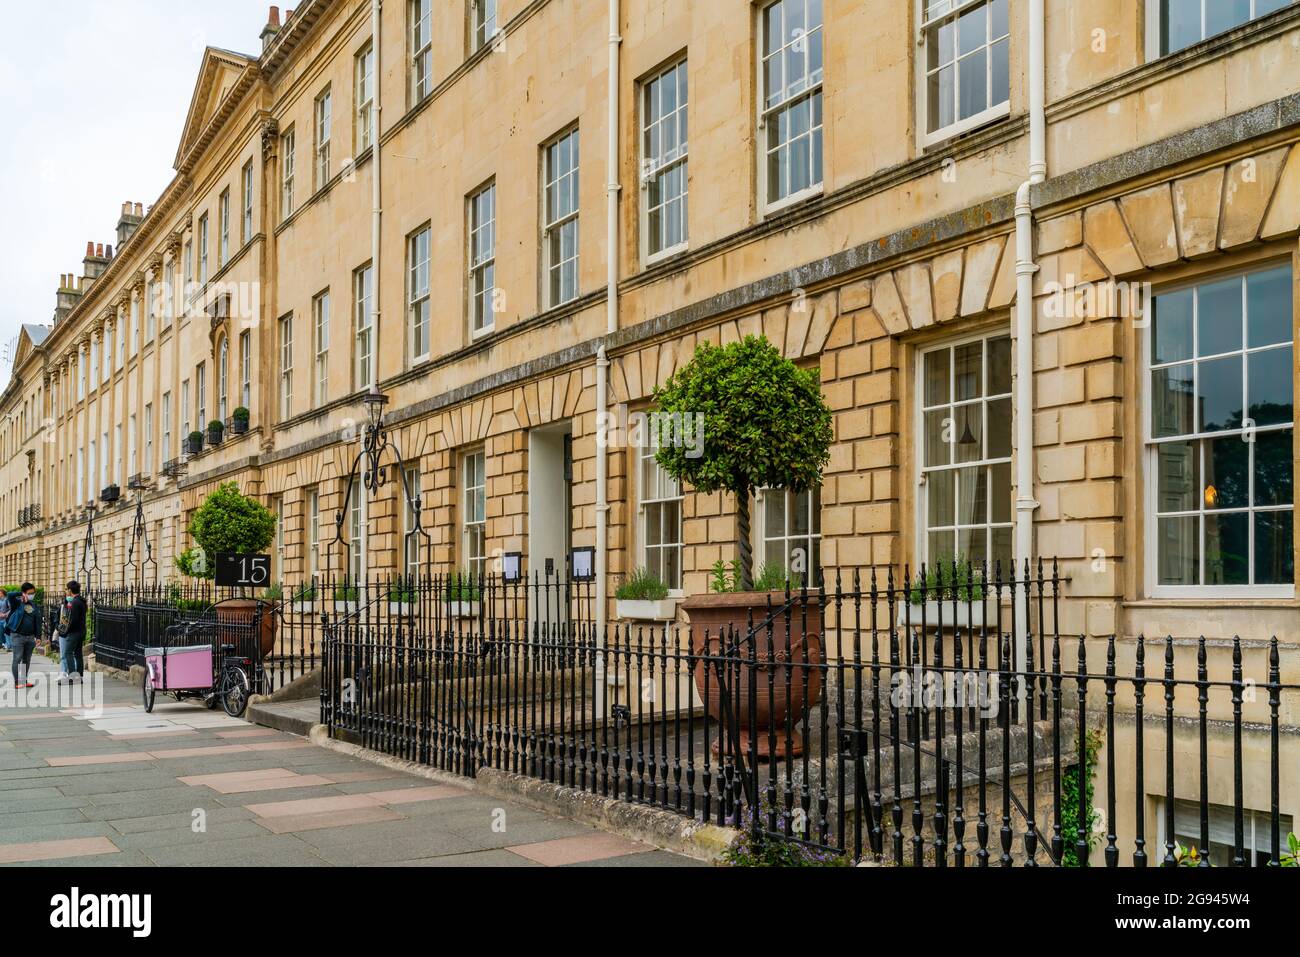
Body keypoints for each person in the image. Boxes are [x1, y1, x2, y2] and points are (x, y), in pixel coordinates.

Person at [7, 583, 40, 688]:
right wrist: (20, 594)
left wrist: (38, 636)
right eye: (30, 593)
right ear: (24, 593)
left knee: (27, 659)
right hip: (18, 636)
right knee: (17, 658)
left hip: (30, 637)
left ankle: (24, 681)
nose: (33, 594)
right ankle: (17, 682)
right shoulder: (17, 603)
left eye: (34, 593)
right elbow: (9, 594)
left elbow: (37, 621)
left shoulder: (33, 605)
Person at [57, 581, 88, 684]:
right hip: (81, 631)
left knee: (67, 653)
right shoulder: (82, 601)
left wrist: (66, 630)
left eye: (66, 589)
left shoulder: (75, 602)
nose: (66, 591)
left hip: (74, 632)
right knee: (78, 654)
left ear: (70, 590)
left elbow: (73, 620)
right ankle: (79, 676)